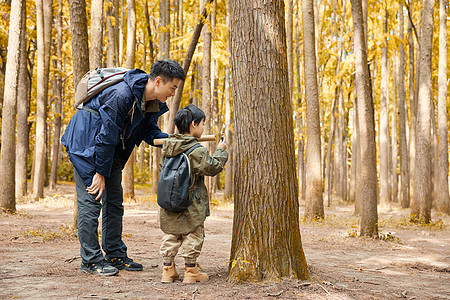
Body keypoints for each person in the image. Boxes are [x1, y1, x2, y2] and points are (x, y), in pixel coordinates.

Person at [61, 59, 185, 276]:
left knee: (115, 203)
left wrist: (174, 140)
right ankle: (90, 260)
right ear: (158, 81)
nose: (173, 93)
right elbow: (105, 135)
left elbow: (150, 133)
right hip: (87, 145)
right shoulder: (121, 95)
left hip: (111, 150)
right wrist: (100, 173)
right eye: (172, 87)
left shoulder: (149, 102)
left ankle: (115, 254)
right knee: (92, 203)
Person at [158, 104, 228, 283]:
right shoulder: (197, 150)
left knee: (171, 234)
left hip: (169, 200)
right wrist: (221, 151)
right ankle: (190, 271)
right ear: (194, 125)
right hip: (191, 201)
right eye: (203, 123)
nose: (204, 127)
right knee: (193, 234)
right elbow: (212, 167)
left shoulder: (168, 147)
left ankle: (168, 270)